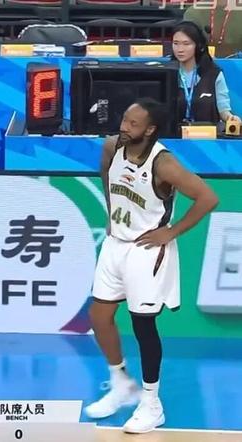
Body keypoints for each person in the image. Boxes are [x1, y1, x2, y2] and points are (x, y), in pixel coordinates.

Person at [84, 98, 218, 433]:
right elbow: (106, 174)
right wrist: (111, 210)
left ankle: (151, 403)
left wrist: (171, 232)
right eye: (124, 119)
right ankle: (121, 384)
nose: (124, 126)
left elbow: (208, 198)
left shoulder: (164, 164)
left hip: (145, 251)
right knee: (99, 317)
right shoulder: (112, 147)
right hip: (115, 244)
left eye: (133, 123)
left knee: (143, 327)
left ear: (150, 129)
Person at [171, 21, 239, 125]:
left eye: (186, 44)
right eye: (176, 43)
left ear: (199, 46)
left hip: (206, 133)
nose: (180, 49)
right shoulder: (166, 73)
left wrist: (231, 118)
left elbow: (223, 110)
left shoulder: (214, 73)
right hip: (173, 133)